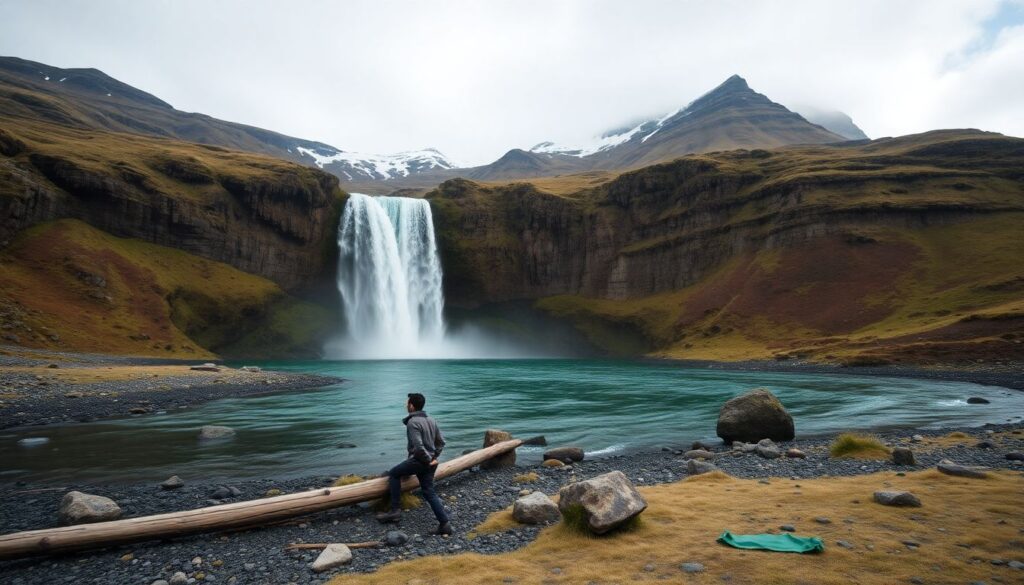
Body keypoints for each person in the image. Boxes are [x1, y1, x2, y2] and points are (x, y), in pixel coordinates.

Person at [376, 392, 452, 535]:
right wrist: (434, 457)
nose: (406, 405)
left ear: (411, 405)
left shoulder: (413, 422)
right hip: (429, 462)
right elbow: (441, 442)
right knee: (429, 491)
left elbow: (418, 447)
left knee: (393, 474)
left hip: (420, 461)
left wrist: (428, 460)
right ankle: (444, 523)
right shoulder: (431, 419)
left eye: (407, 403)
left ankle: (395, 511)